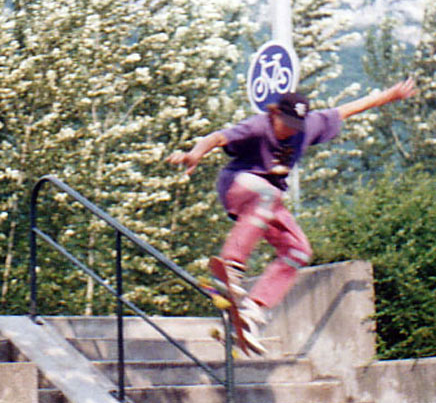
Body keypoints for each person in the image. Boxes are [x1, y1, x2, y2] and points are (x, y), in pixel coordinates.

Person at [166, 78, 417, 354]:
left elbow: (347, 109)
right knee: (268, 194)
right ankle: (232, 266)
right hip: (238, 185)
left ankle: (252, 310)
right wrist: (194, 154)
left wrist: (390, 95)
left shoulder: (309, 125)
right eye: (285, 124)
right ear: (275, 114)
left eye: (295, 126)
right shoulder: (258, 125)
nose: (289, 131)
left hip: (267, 202)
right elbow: (217, 138)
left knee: (299, 250)